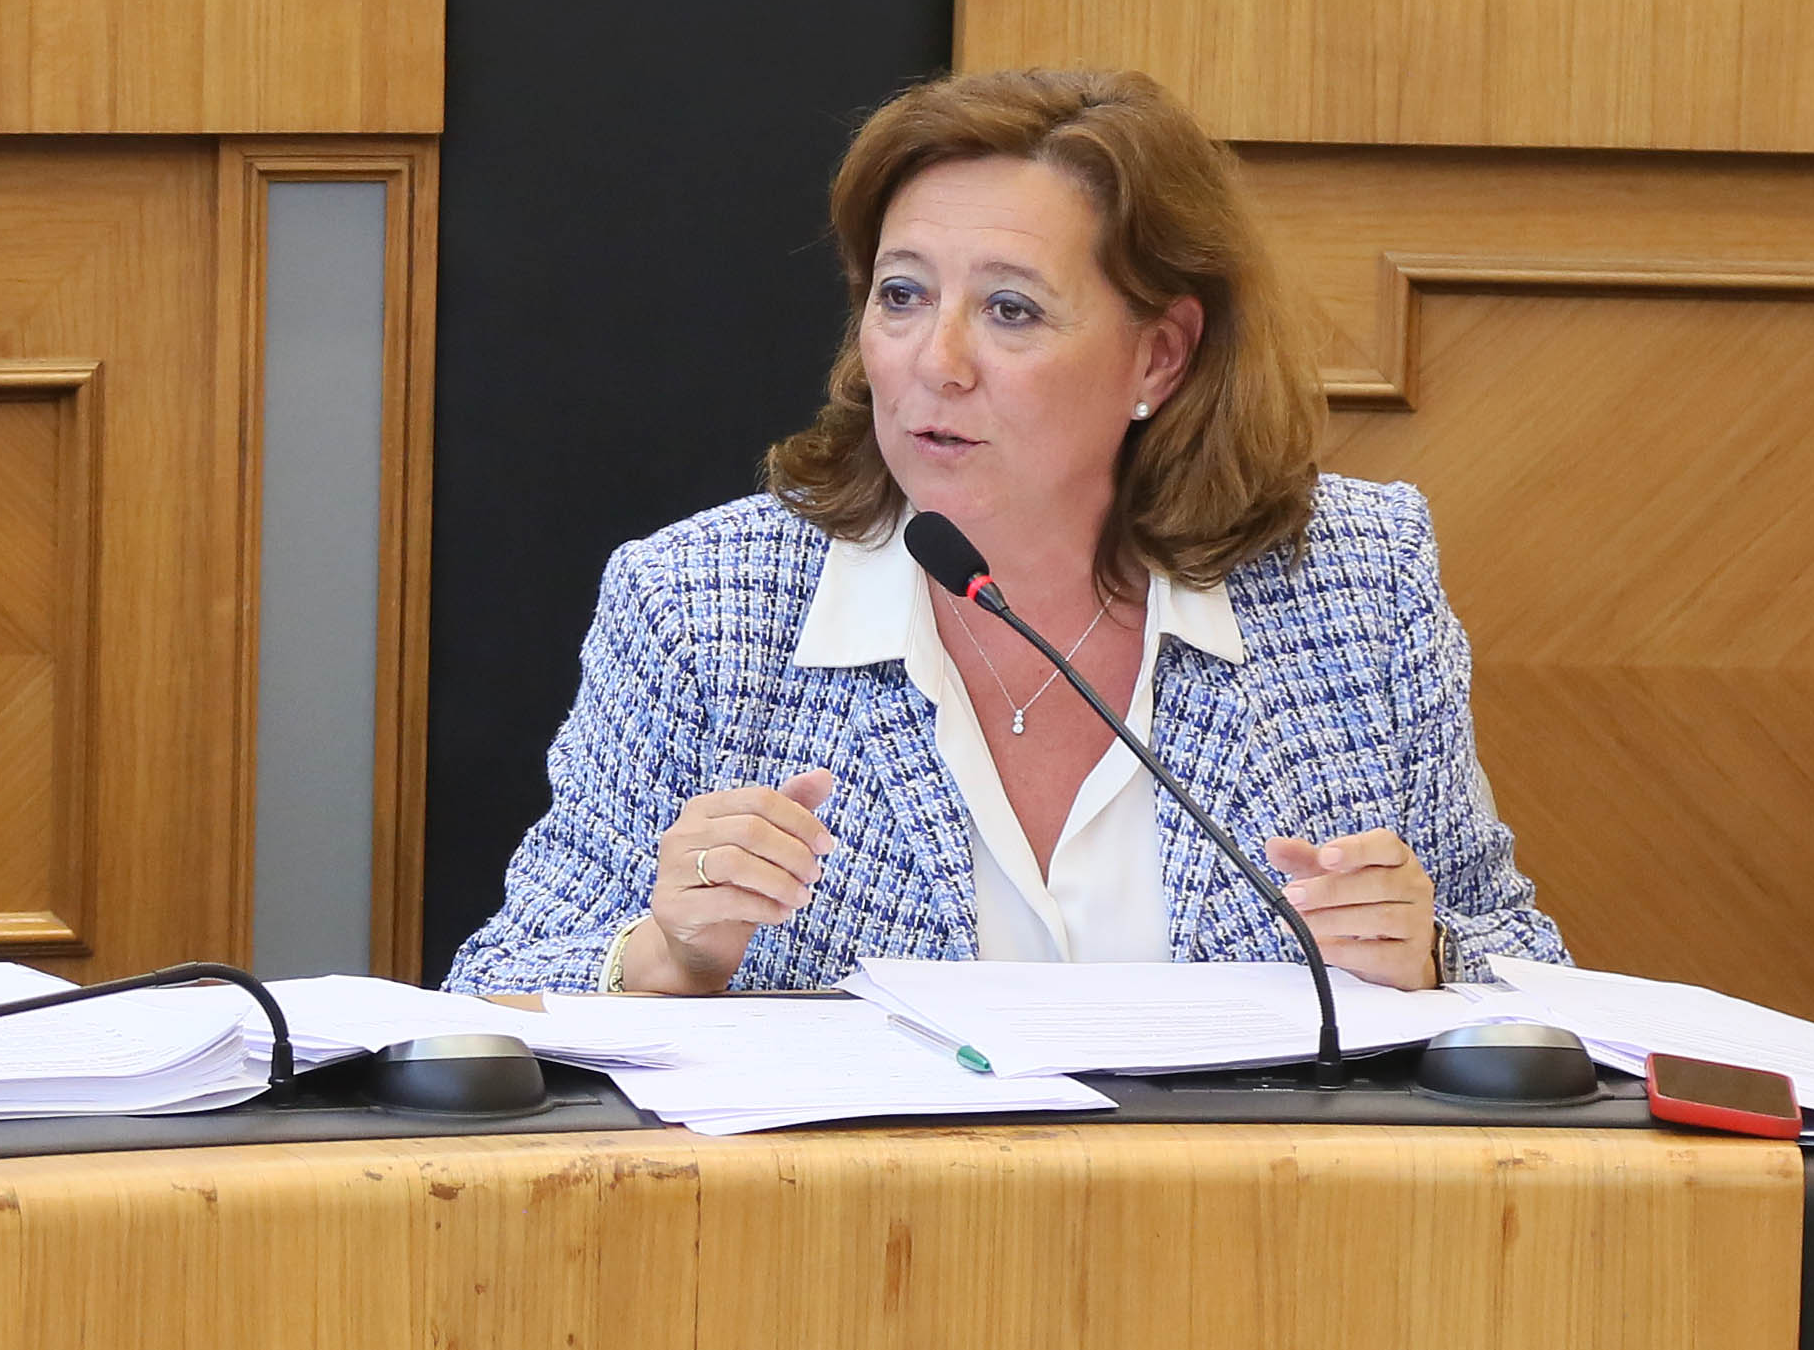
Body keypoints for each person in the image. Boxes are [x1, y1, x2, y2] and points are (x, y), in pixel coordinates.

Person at [445, 68, 1567, 997]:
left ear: (1159, 355)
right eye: (901, 295)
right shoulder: (701, 602)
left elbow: (1528, 968)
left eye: (1010, 309)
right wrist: (665, 955)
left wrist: (1431, 953)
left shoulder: (1353, 581)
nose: (936, 362)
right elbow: (496, 990)